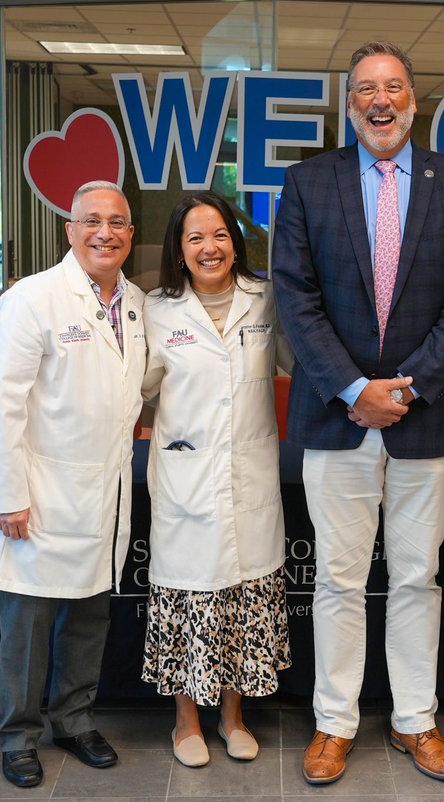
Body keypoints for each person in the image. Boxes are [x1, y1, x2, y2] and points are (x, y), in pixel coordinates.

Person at [272, 40, 444, 785]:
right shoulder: (307, 184)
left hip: (422, 418)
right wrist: (352, 389)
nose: (381, 100)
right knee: (337, 580)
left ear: (414, 99)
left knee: (415, 579)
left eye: (394, 86)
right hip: (336, 418)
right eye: (366, 88)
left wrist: (406, 386)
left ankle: (414, 720)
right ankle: (335, 723)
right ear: (349, 105)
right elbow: (295, 299)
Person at [0, 180, 147, 788]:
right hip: (41, 496)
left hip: (105, 496)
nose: (106, 232)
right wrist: (8, 495)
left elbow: (133, 388)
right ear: (69, 231)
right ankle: (18, 736)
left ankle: (74, 720)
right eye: (93, 220)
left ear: (131, 234)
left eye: (119, 222)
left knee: (89, 620)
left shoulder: (133, 302)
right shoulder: (34, 299)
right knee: (26, 628)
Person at [140, 191, 292, 768]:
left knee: (241, 598)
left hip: (250, 473)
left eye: (220, 234)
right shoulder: (156, 309)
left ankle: (232, 718)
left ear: (236, 240)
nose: (210, 247)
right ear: (179, 250)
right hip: (186, 477)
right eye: (195, 237)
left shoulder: (265, 298)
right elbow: (140, 387)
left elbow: (296, 360)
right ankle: (185, 723)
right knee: (190, 596)